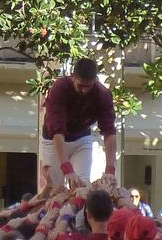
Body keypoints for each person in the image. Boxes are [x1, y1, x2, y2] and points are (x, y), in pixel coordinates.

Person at [40, 58, 118, 190]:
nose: (84, 90)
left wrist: (110, 169)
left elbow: (109, 132)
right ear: (73, 77)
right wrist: (67, 169)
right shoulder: (60, 88)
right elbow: (57, 131)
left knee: (82, 185)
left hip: (81, 138)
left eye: (89, 86)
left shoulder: (102, 94)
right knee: (55, 188)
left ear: (95, 81)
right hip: (54, 139)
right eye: (80, 86)